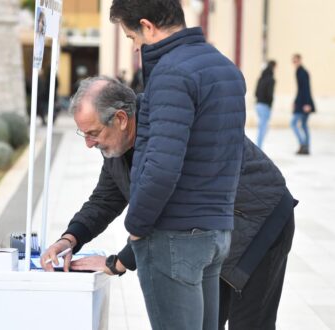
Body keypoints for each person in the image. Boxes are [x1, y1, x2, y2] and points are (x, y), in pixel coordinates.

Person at [41, 76, 296, 330]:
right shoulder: (117, 147)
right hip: (216, 231)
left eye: (93, 133)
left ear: (120, 119)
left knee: (249, 325)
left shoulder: (167, 131)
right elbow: (105, 198)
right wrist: (70, 239)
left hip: (259, 216)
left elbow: (164, 208)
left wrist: (117, 263)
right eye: (83, 134)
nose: (88, 144)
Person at [115, 1, 246, 328]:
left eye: (132, 37)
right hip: (215, 231)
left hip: (175, 235)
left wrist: (136, 226)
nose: (134, 48)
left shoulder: (172, 72)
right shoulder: (225, 67)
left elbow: (161, 166)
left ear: (147, 26)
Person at [291, 54, 315, 155]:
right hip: (301, 102)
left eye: (296, 61)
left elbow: (306, 89)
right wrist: (295, 101)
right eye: (293, 61)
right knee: (304, 125)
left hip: (304, 103)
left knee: (293, 123)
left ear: (300, 60)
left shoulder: (303, 72)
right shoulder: (298, 71)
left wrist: (306, 104)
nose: (294, 63)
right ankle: (305, 147)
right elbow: (300, 89)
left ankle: (303, 145)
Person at [255, 60, 276, 149]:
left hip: (258, 105)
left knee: (263, 127)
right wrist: (270, 104)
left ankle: (259, 146)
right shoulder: (271, 79)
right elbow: (270, 94)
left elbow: (255, 93)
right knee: (263, 128)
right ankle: (259, 148)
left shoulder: (260, 78)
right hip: (265, 106)